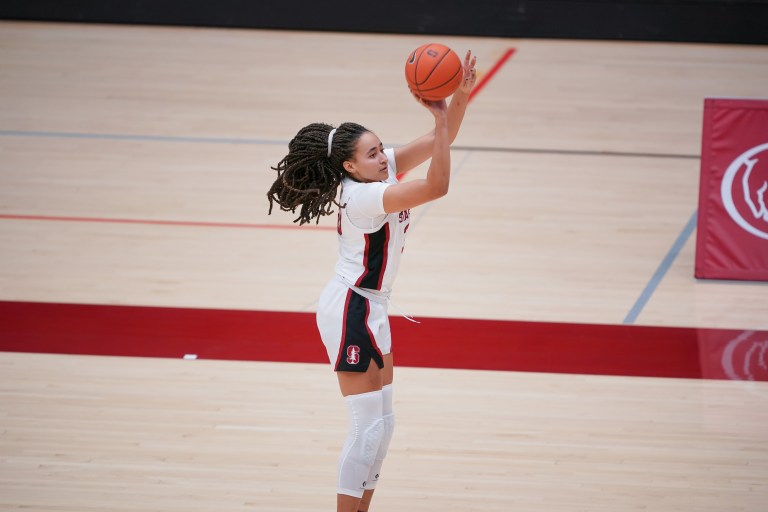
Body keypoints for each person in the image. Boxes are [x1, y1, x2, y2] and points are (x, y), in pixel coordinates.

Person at [267, 50, 477, 512]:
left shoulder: (380, 171)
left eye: (382, 148)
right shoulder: (363, 196)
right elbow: (437, 186)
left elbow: (443, 137)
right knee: (364, 426)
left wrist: (455, 101)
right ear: (349, 167)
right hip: (351, 306)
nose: (384, 157)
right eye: (373, 153)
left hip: (372, 304)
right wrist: (441, 123)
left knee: (383, 424)